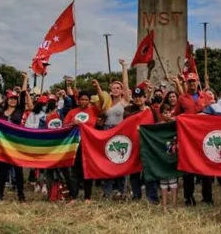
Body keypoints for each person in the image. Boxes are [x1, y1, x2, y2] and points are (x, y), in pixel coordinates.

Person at [173, 71, 213, 206]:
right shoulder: (182, 99)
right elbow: (176, 115)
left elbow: (215, 114)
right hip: (188, 139)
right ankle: (188, 197)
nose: (192, 84)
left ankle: (208, 198)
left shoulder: (206, 97)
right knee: (188, 168)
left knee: (206, 168)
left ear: (197, 82)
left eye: (193, 81)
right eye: (189, 82)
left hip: (204, 137)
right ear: (186, 83)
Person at [65, 86, 103, 204]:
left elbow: (103, 102)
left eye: (86, 99)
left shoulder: (94, 110)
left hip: (89, 146)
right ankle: (74, 197)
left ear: (89, 100)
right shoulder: (72, 112)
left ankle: (87, 197)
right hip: (75, 145)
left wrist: (97, 87)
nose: (83, 102)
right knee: (75, 172)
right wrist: (72, 123)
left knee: (88, 170)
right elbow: (64, 126)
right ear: (78, 100)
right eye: (82, 99)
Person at [101, 59, 131, 200]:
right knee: (108, 161)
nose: (116, 89)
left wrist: (124, 67)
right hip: (107, 131)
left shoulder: (124, 101)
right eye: (113, 87)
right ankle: (107, 192)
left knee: (121, 161)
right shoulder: (106, 103)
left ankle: (121, 191)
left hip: (120, 132)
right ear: (110, 90)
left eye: (118, 88)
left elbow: (126, 85)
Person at [124, 85, 159, 203]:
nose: (138, 99)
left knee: (149, 171)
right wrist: (142, 113)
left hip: (148, 146)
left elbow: (157, 125)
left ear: (145, 98)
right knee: (134, 172)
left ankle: (152, 197)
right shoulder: (128, 110)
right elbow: (127, 120)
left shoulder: (151, 110)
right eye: (135, 97)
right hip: (133, 145)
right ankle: (136, 196)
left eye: (140, 97)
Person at [0, 86, 27, 203]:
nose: (13, 100)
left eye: (15, 99)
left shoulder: (19, 110)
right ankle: (0, 195)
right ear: (7, 100)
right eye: (10, 98)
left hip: (16, 145)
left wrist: (26, 78)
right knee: (3, 171)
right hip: (4, 145)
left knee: (18, 171)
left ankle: (21, 195)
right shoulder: (0, 111)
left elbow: (23, 94)